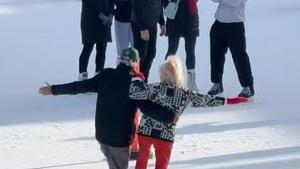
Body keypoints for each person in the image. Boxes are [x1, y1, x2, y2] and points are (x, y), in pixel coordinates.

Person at [129, 56, 249, 169]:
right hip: (165, 135)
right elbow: (207, 100)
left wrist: (138, 79)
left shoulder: (153, 88)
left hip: (146, 131)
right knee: (161, 166)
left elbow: (134, 93)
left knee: (141, 163)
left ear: (162, 73)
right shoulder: (185, 94)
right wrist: (230, 100)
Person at [39, 47, 141, 169]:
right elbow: (148, 108)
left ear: (120, 60)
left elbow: (79, 86)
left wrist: (53, 89)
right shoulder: (135, 84)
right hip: (120, 139)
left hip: (102, 135)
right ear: (135, 63)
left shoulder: (106, 75)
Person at [208, 0, 254, 97]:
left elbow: (234, 2)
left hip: (236, 24)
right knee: (216, 55)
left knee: (240, 57)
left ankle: (247, 86)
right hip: (219, 23)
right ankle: (217, 83)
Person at [163, 0, 200, 92]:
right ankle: (166, 79)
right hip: (174, 17)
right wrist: (169, 4)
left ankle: (191, 83)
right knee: (172, 51)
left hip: (190, 18)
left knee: (190, 51)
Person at [131, 0, 166, 82]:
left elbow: (159, 4)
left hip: (152, 24)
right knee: (141, 55)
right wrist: (142, 28)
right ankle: (136, 82)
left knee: (151, 53)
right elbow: (136, 7)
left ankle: (144, 81)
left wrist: (162, 22)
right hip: (140, 24)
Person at [78, 0, 114, 80]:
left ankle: (99, 73)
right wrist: (102, 16)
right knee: (88, 47)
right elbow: (89, 3)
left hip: (105, 22)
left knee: (102, 49)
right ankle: (82, 74)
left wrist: (110, 15)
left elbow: (112, 2)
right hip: (90, 21)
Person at [113, 0, 134, 65]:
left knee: (136, 50)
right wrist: (111, 11)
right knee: (122, 51)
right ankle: (121, 72)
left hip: (136, 20)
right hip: (121, 20)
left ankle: (136, 73)